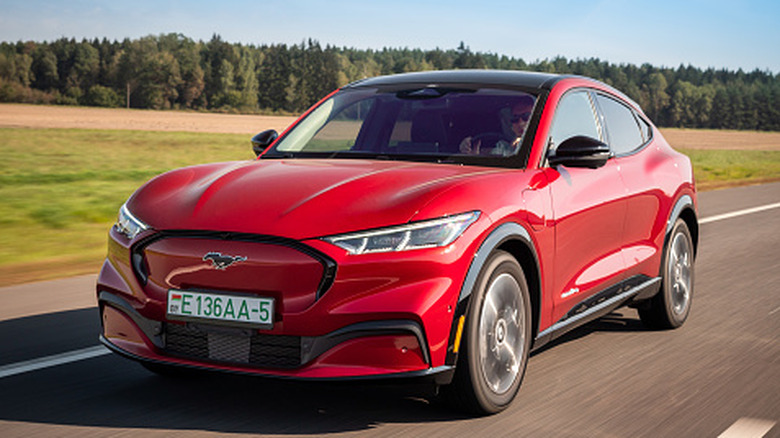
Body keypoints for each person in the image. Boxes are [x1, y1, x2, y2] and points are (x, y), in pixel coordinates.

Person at [459, 96, 534, 156]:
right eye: (515, 119)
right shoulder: (504, 146)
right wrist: (469, 150)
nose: (520, 123)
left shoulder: (542, 147)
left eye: (526, 117)